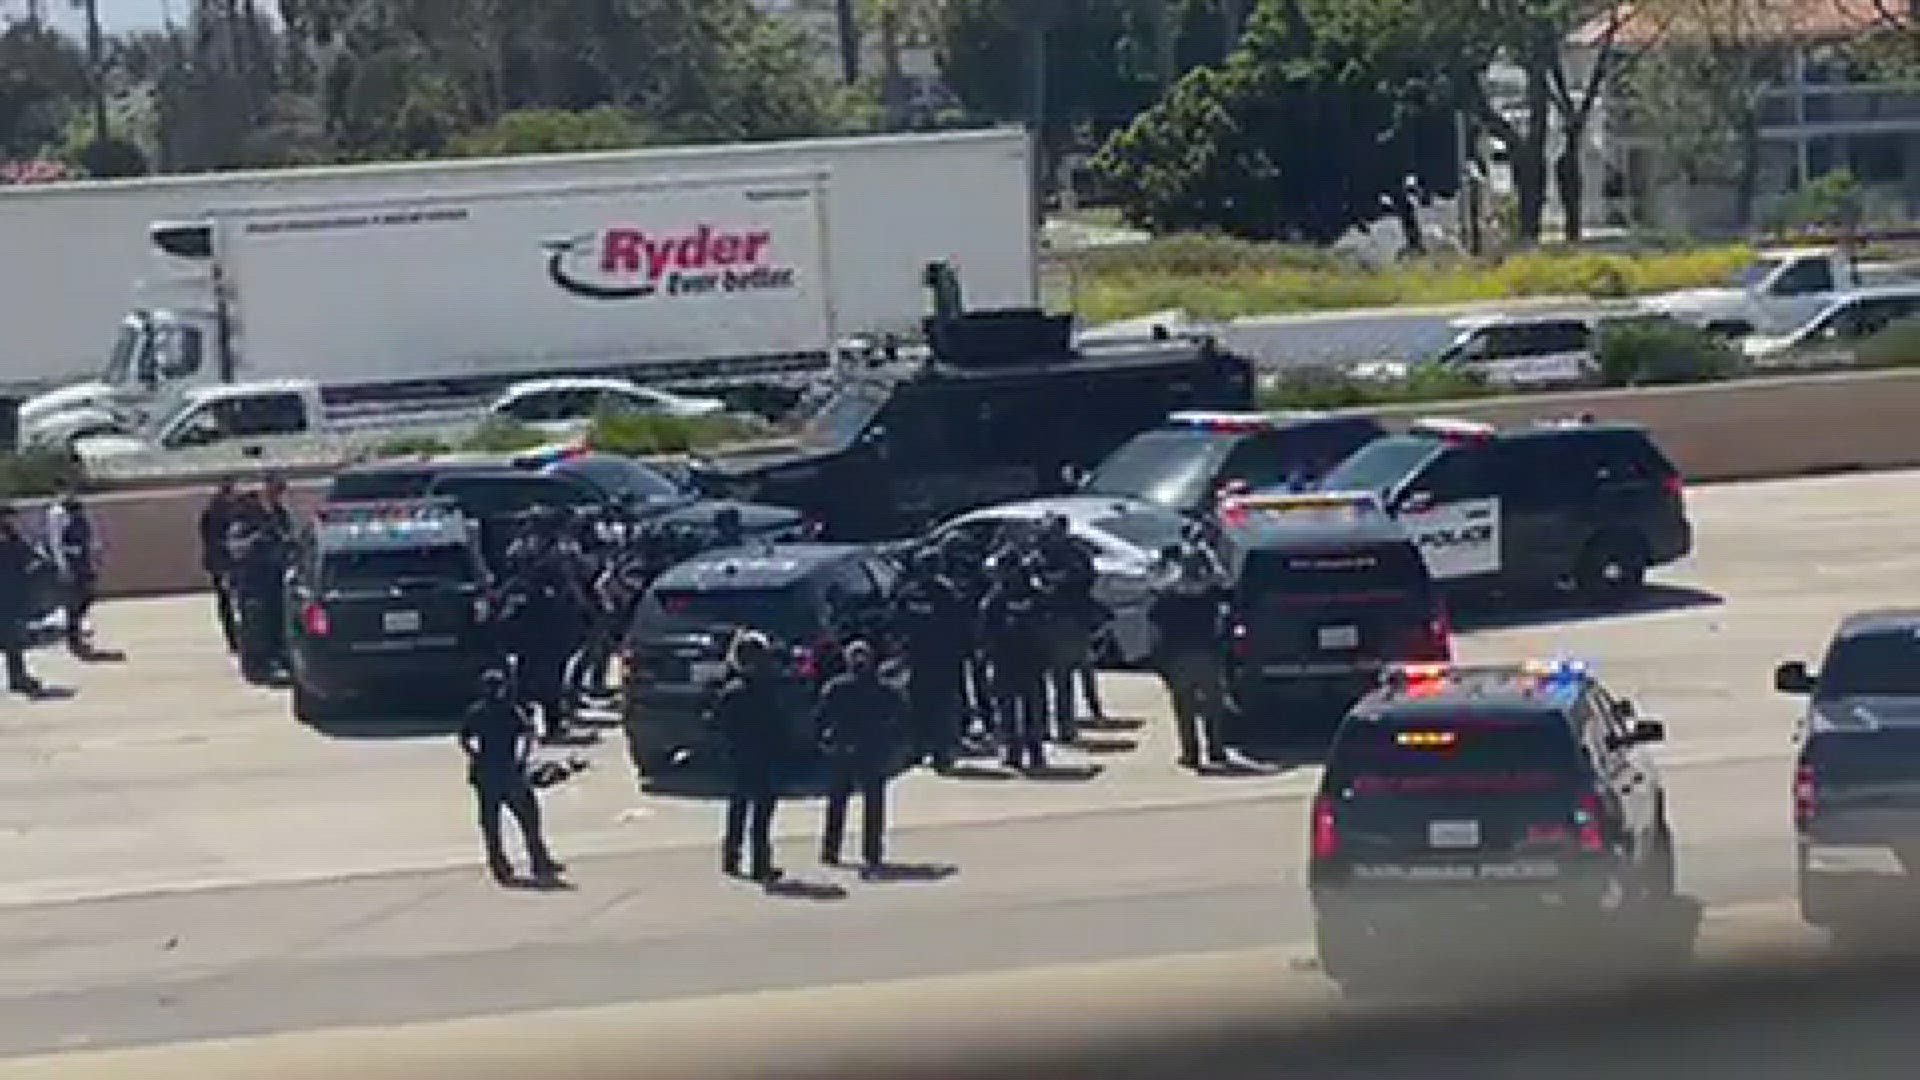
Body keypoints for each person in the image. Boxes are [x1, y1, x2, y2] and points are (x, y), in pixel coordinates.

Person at [460, 668, 565, 884]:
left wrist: (476, 755)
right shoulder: (509, 711)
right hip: (507, 770)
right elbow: (527, 734)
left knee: (491, 822)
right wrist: (522, 759)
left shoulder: (477, 711)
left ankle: (499, 864)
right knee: (528, 816)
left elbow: (464, 737)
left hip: (486, 772)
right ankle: (537, 860)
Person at [814, 640, 907, 874]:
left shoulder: (839, 688)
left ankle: (839, 849)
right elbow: (821, 717)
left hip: (859, 749)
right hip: (859, 749)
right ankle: (861, 850)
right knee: (861, 802)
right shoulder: (878, 689)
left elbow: (820, 718)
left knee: (849, 802)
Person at [712, 630, 790, 883]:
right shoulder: (764, 690)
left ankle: (732, 858)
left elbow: (718, 724)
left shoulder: (731, 691)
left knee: (738, 807)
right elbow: (778, 723)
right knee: (761, 811)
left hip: (739, 755)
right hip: (762, 754)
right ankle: (760, 864)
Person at [1148, 541, 1232, 771]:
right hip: (1207, 652)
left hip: (1179, 656)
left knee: (1184, 708)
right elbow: (1228, 587)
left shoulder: (1169, 594)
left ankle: (1190, 753)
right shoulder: (1210, 593)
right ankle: (1216, 749)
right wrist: (1212, 562)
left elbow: (1153, 619)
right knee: (1213, 707)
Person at [890, 548, 969, 772]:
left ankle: (941, 752)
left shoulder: (946, 593)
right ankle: (918, 749)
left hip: (941, 660)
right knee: (919, 705)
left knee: (941, 708)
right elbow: (897, 621)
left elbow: (959, 626)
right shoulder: (911, 593)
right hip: (920, 658)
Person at [1033, 514, 1104, 743]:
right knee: (1037, 680)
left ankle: (1066, 726)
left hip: (1069, 621)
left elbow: (1087, 579)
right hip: (1040, 622)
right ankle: (1040, 727)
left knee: (1065, 677)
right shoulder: (1036, 557)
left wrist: (1060, 580)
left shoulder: (1076, 555)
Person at [978, 553, 1050, 773]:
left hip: (1027, 659)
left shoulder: (1033, 596)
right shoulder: (996, 599)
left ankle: (1033, 751)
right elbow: (985, 630)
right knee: (1010, 707)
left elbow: (1046, 626)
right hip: (1007, 659)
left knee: (1031, 707)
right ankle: (1014, 751)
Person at [229, 516, 290, 685]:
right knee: (254, 629)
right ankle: (258, 667)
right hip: (252, 589)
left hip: (271, 589)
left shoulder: (277, 522)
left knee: (271, 626)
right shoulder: (242, 532)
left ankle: (274, 660)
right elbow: (236, 551)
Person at [44, 489, 102, 658]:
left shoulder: (77, 508)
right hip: (71, 560)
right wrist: (62, 564)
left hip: (83, 559)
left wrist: (92, 551)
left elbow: (87, 533)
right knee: (74, 600)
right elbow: (55, 541)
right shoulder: (57, 513)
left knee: (87, 594)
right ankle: (73, 637)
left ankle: (76, 629)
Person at [0, 505, 47, 697]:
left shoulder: (13, 537)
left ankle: (17, 677)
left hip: (14, 594)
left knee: (14, 639)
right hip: (5, 594)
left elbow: (28, 556)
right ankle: (18, 677)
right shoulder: (8, 540)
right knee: (11, 638)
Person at [198, 478, 244, 653]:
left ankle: (234, 638)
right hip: (224, 561)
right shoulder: (221, 511)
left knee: (227, 602)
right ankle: (234, 638)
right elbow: (212, 539)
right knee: (229, 601)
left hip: (222, 561)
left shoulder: (213, 511)